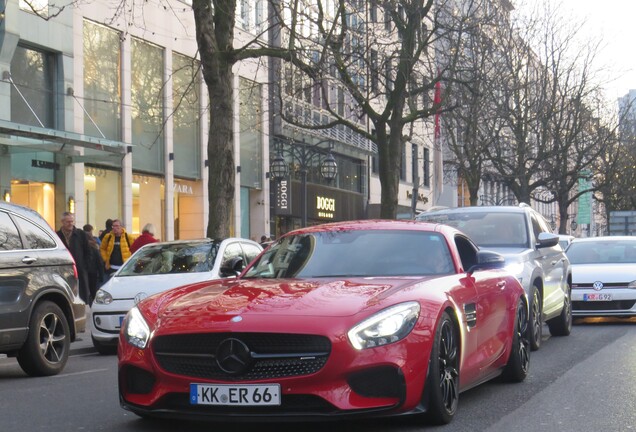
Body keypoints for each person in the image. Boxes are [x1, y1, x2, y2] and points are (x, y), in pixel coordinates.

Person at [57, 212, 91, 304]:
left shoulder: (80, 234)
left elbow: (88, 252)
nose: (70, 223)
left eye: (72, 221)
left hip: (80, 270)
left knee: (82, 296)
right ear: (62, 222)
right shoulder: (57, 235)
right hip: (64, 271)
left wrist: (85, 267)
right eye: (68, 222)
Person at [85, 234, 105, 305]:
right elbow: (100, 263)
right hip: (93, 273)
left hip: (85, 273)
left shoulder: (81, 249)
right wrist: (101, 275)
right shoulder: (94, 248)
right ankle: (93, 304)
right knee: (93, 291)